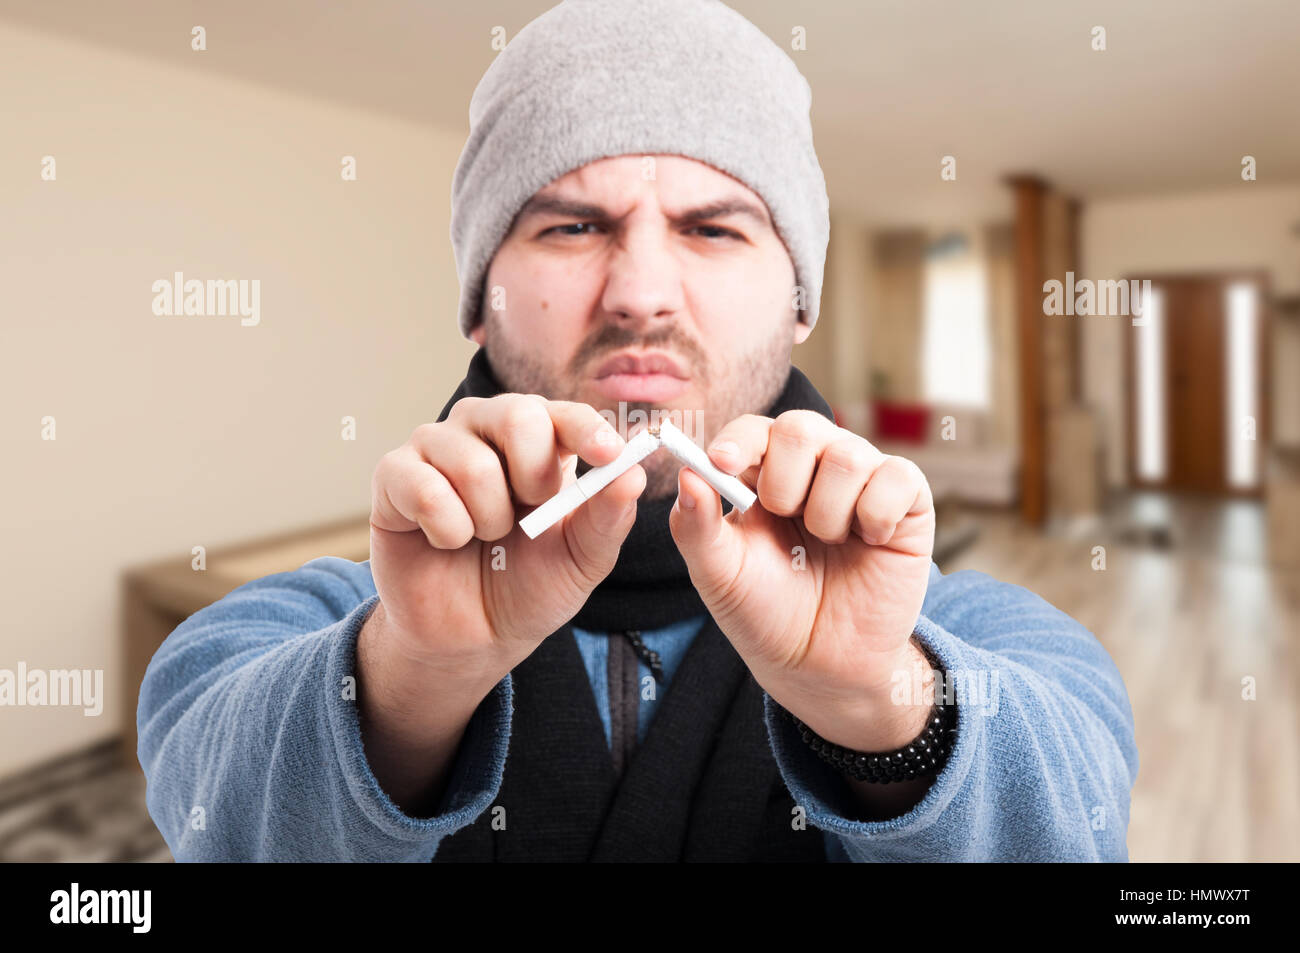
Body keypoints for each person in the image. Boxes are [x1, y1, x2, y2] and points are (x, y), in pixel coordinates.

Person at [138, 0, 1138, 862]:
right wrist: (409, 678)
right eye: (571, 226)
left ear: (797, 304)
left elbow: (1078, 818)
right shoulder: (298, 632)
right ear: (480, 302)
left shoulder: (972, 643)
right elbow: (212, 803)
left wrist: (885, 706)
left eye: (714, 228)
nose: (643, 295)